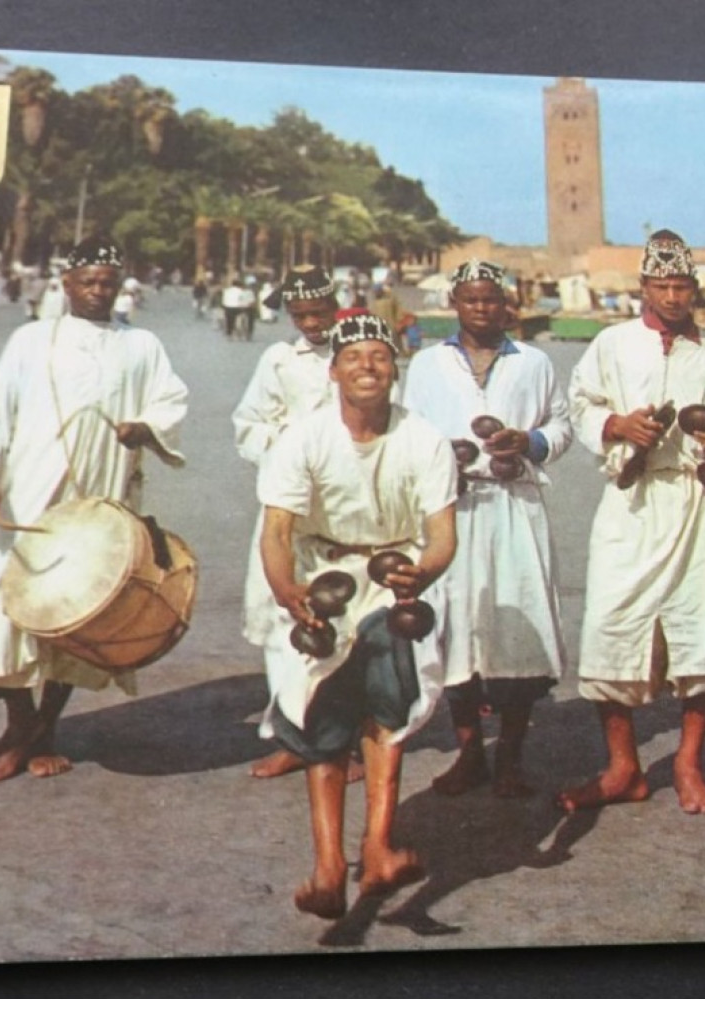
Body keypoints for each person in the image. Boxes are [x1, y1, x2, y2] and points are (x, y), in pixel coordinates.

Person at [0, 236, 189, 784]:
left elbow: (169, 401)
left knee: (84, 612)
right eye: (88, 282)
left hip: (100, 498)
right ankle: (19, 722)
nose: (98, 291)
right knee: (3, 602)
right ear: (66, 285)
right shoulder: (32, 339)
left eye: (107, 282)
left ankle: (42, 731)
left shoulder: (141, 344)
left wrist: (143, 427)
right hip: (24, 491)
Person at [561, 230, 705, 815]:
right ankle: (623, 766)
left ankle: (687, 762)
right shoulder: (613, 344)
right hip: (633, 499)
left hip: (700, 503)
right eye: (663, 286)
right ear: (643, 288)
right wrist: (616, 427)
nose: (674, 297)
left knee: (701, 629)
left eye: (682, 286)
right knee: (612, 625)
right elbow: (580, 403)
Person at [257, 311, 457, 919]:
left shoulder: (423, 438)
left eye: (379, 356)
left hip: (394, 582)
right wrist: (288, 588)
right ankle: (326, 868)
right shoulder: (304, 437)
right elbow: (277, 532)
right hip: (323, 578)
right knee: (323, 718)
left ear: (395, 367)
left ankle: (377, 849)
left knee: (386, 713)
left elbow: (441, 535)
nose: (367, 367)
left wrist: (419, 576)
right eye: (354, 357)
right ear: (334, 369)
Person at [399, 260, 573, 797]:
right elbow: (406, 429)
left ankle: (513, 757)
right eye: (471, 300)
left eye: (492, 300)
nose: (482, 309)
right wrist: (437, 458)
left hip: (515, 505)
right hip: (452, 509)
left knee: (518, 629)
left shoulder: (535, 362)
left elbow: (562, 425)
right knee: (456, 626)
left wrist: (530, 442)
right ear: (455, 302)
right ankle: (471, 752)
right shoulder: (429, 364)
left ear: (507, 304)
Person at [232, 266, 345, 780]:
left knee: (347, 618)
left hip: (346, 502)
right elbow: (248, 424)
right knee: (287, 617)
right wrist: (283, 452)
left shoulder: (358, 352)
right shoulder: (278, 360)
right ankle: (295, 736)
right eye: (300, 316)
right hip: (288, 502)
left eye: (318, 313)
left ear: (335, 304)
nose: (311, 324)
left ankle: (344, 739)